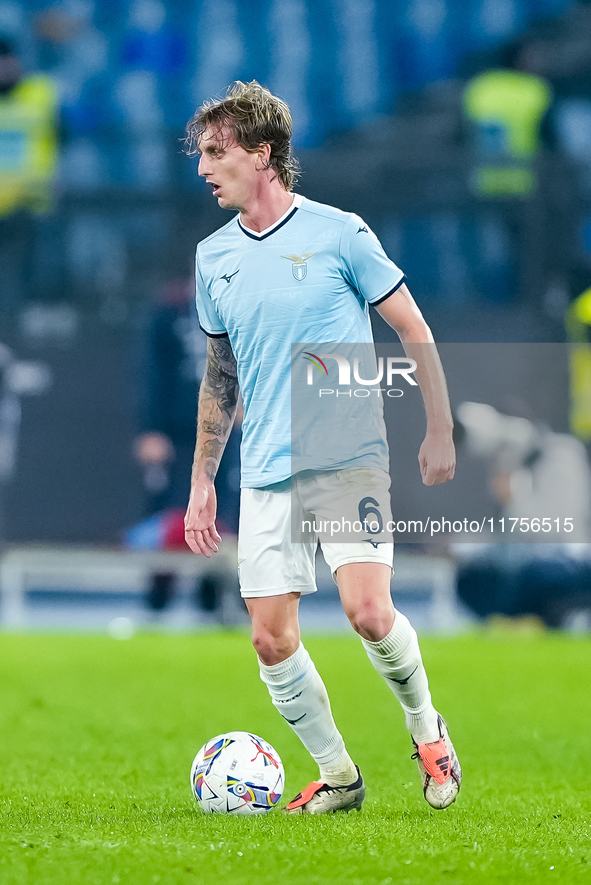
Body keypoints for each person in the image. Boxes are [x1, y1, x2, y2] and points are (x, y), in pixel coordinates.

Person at [183, 81, 461, 814]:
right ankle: (339, 775)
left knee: (368, 611)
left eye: (217, 153)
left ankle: (426, 727)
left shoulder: (340, 232)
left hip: (346, 456)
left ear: (261, 153)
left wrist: (438, 427)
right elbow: (220, 376)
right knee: (270, 641)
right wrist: (202, 478)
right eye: (201, 155)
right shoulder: (214, 259)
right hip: (268, 469)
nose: (204, 169)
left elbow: (414, 329)